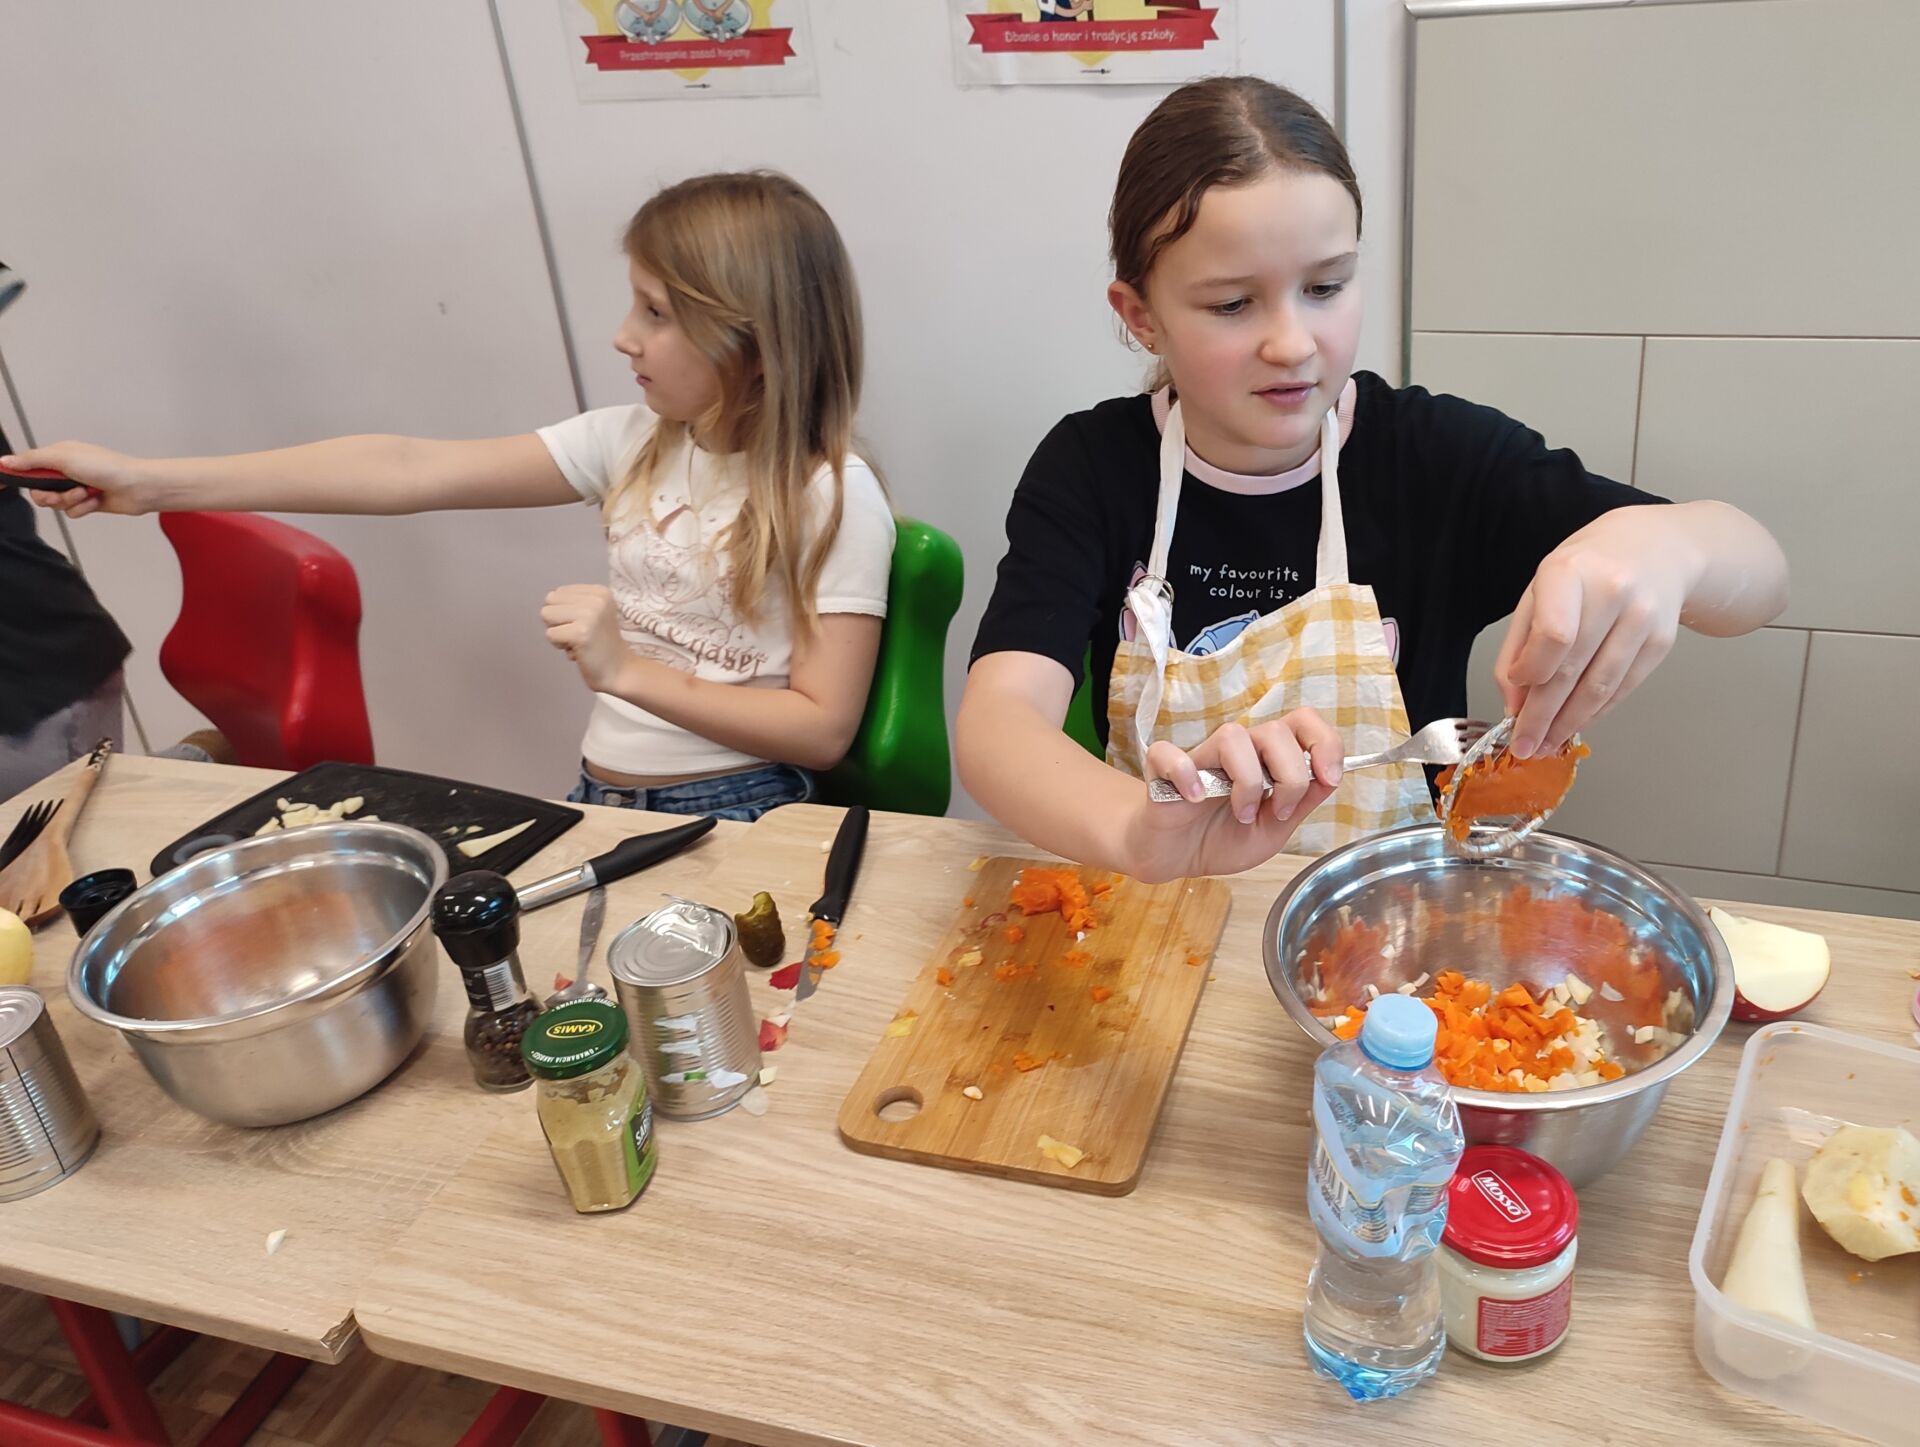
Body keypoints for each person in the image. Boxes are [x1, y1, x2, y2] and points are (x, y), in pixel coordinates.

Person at [958, 77, 1787, 882]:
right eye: (1232, 304)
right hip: (1155, 902)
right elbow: (1000, 722)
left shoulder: (1435, 458)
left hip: (1393, 922)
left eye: (1325, 287)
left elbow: (1762, 580)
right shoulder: (1093, 467)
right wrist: (1141, 834)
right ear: (1142, 315)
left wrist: (1669, 546)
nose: (1293, 343)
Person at [11, 171, 896, 823]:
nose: (623, 336)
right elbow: (405, 469)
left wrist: (628, 672)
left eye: (657, 314)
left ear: (754, 343)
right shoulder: (633, 441)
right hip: (602, 795)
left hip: (741, 808)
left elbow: (821, 729)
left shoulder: (832, 497)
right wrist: (150, 482)